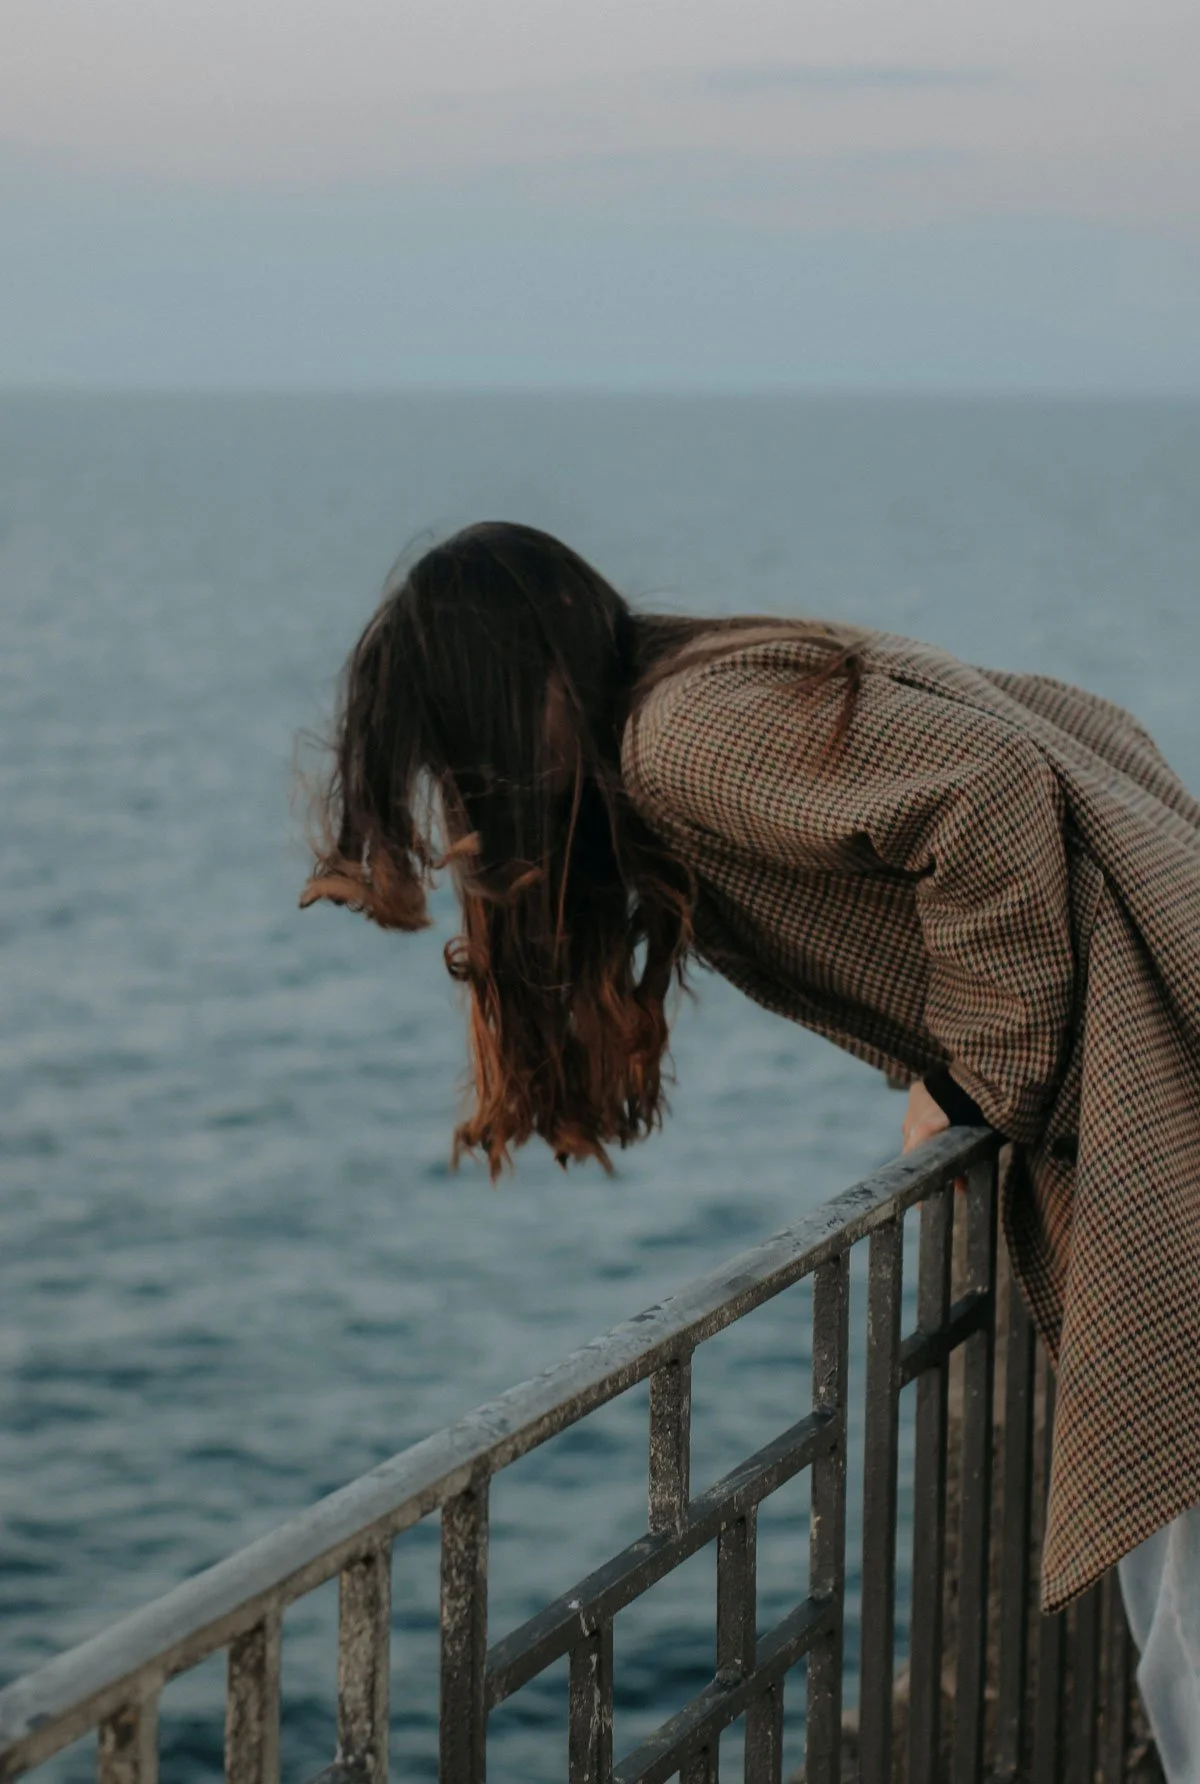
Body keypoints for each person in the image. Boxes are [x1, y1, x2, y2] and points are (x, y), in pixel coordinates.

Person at [300, 521, 1200, 1774]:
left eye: (457, 744)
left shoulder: (679, 737)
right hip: (1149, 1080)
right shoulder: (686, 707)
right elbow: (1075, 728)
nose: (463, 790)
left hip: (1157, 1107)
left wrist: (988, 1070)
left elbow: (987, 789)